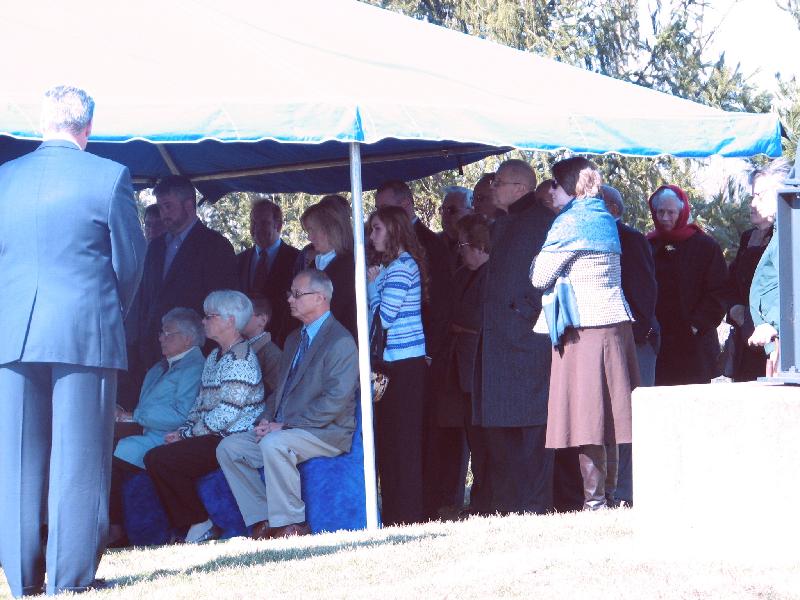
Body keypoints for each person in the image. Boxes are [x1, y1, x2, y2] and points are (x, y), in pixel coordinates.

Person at [0, 85, 146, 596]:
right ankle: (71, 578)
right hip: (85, 332)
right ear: (88, 128)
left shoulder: (4, 178)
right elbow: (130, 263)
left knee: (16, 462)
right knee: (79, 459)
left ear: (41, 123)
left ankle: (22, 581)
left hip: (13, 334)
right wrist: (109, 312)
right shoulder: (109, 176)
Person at [216, 270, 359, 540]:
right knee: (230, 448)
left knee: (274, 443)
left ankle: (292, 525)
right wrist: (266, 420)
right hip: (287, 429)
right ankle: (263, 521)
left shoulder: (340, 341)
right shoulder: (294, 339)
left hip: (326, 431)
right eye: (290, 294)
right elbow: (279, 391)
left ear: (320, 298)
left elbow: (335, 401)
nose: (290, 300)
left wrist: (284, 426)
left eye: (297, 294)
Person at [531, 158, 639, 510]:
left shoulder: (572, 221)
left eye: (555, 185)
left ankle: (594, 503)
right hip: (614, 324)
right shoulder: (603, 216)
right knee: (610, 416)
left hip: (585, 327)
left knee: (588, 416)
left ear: (569, 186)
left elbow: (539, 276)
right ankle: (607, 496)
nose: (551, 192)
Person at [143, 290, 264, 544]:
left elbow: (227, 414)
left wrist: (187, 435)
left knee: (161, 459)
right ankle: (192, 524)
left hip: (231, 437)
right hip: (211, 435)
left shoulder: (240, 359)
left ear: (230, 321)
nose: (203, 321)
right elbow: (199, 404)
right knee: (157, 456)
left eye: (210, 316)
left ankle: (200, 523)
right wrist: (184, 431)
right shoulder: (214, 357)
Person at [473, 159, 555, 515]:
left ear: (520, 188)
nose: (492, 187)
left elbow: (551, 274)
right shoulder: (503, 223)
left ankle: (534, 505)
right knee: (501, 432)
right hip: (500, 344)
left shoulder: (542, 222)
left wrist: (525, 312)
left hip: (528, 342)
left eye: (499, 181)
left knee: (532, 429)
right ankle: (506, 505)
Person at [109, 307, 206, 546]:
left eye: (167, 333)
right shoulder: (159, 367)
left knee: (112, 457)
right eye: (161, 332)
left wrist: (135, 415)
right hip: (145, 434)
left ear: (188, 339)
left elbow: (182, 415)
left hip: (169, 439)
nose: (161, 338)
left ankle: (116, 528)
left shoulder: (194, 368)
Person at [134, 175, 238, 374]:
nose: (163, 214)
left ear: (189, 205)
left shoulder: (215, 246)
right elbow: (145, 299)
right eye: (160, 207)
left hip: (194, 353)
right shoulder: (155, 247)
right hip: (153, 352)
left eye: (168, 206)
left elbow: (221, 306)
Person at [367, 206, 429, 525]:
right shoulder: (392, 267)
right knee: (390, 440)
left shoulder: (402, 267)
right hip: (393, 363)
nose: (372, 236)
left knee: (403, 442)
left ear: (394, 230)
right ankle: (394, 512)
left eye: (377, 229)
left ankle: (407, 514)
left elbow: (384, 317)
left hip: (405, 365)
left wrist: (372, 286)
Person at [600, 184, 659, 506]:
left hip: (634, 339)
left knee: (632, 417)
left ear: (612, 208)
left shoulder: (631, 239)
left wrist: (636, 334)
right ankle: (609, 489)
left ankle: (627, 491)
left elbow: (644, 291)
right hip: (608, 339)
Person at [431, 214, 492, 516]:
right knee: (457, 434)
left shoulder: (492, 275)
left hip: (480, 368)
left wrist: (460, 324)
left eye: (464, 245)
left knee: (482, 439)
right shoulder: (460, 275)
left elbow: (480, 319)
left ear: (479, 246)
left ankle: (485, 498)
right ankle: (454, 497)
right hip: (455, 368)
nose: (460, 251)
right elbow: (447, 315)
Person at [647, 185, 727, 385]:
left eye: (671, 212)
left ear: (681, 212)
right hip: (659, 343)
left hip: (694, 343)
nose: (665, 218)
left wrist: (695, 325)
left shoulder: (705, 246)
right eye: (660, 212)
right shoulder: (648, 245)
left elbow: (719, 291)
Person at [375, 180, 451, 359]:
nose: (380, 214)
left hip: (420, 347)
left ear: (405, 204)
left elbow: (440, 302)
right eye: (378, 209)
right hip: (392, 348)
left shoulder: (432, 244)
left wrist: (430, 351)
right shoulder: (382, 243)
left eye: (385, 208)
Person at [747, 160, 793, 376]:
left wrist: (776, 324)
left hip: (789, 347)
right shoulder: (780, 232)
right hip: (780, 345)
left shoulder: (793, 233)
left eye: (759, 195)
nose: (753, 203)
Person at [237, 199, 300, 348]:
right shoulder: (239, 260)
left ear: (278, 225)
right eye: (253, 222)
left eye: (264, 223)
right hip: (242, 343)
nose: (256, 228)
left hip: (281, 343)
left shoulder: (296, 259)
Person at [299, 200, 357, 339]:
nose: (309, 237)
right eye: (308, 231)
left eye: (313, 230)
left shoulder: (349, 265)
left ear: (331, 230)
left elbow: (335, 308)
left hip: (340, 342)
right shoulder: (315, 263)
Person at [244, 295, 282, 395]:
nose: (239, 318)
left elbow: (272, 393)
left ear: (263, 320)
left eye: (245, 315)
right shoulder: (235, 346)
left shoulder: (273, 355)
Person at [438, 185, 474, 270]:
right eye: (443, 210)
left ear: (471, 212)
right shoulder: (433, 243)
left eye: (451, 210)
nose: (445, 215)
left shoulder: (480, 244)